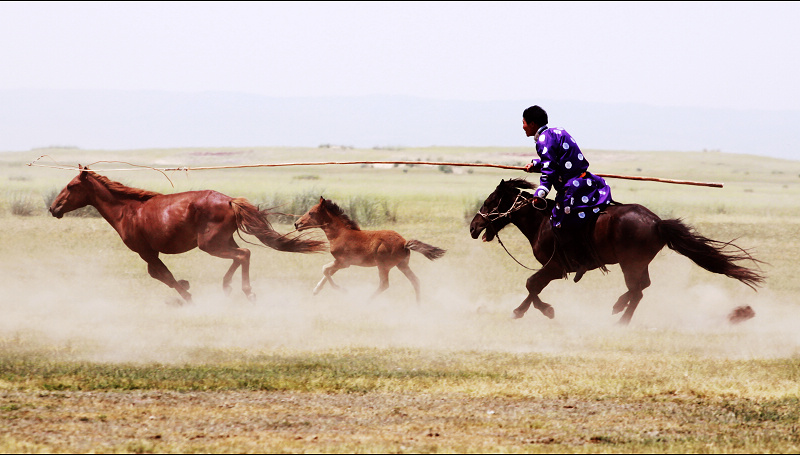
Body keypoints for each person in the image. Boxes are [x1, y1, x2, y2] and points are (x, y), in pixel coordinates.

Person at [522, 105, 612, 282]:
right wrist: (536, 164)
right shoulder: (556, 132)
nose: (523, 126)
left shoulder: (542, 140)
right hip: (584, 180)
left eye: (524, 123)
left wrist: (540, 192)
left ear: (532, 124)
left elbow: (550, 169)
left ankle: (581, 260)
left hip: (573, 188)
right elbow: (557, 160)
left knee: (559, 221)